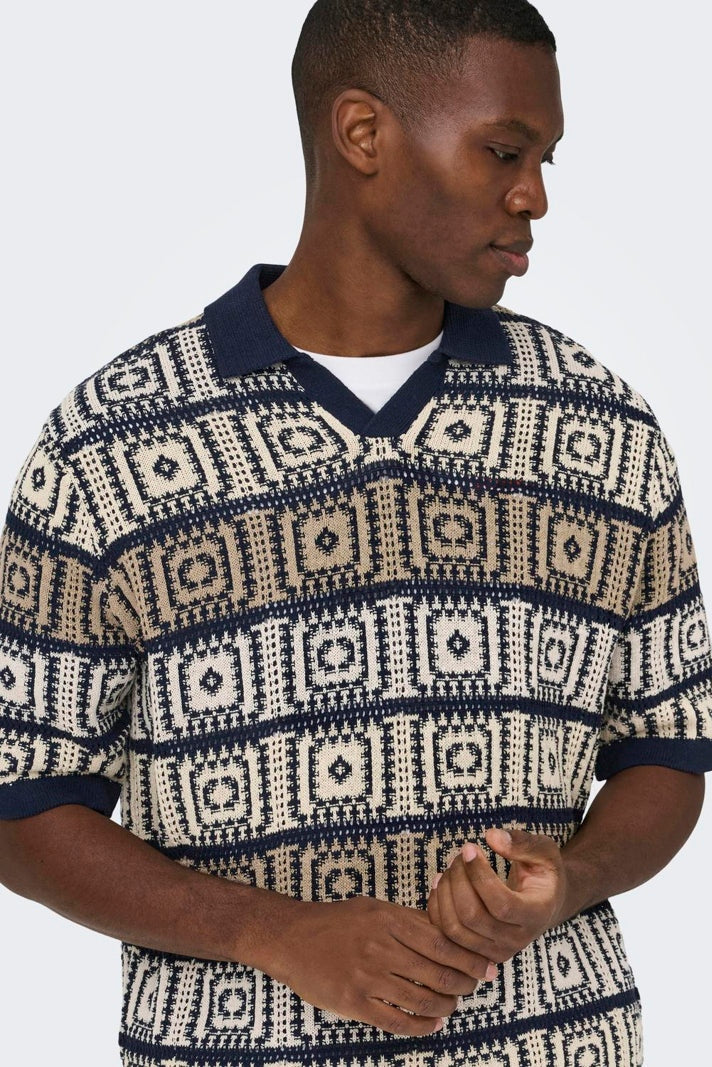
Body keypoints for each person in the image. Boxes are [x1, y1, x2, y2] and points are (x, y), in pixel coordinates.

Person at [0, 1, 709, 1064]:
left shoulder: (601, 427)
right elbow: (23, 800)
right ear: (363, 134)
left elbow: (667, 748)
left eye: (545, 160)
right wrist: (274, 932)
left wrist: (572, 878)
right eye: (504, 152)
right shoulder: (109, 444)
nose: (534, 196)